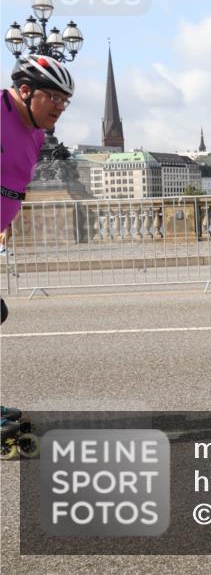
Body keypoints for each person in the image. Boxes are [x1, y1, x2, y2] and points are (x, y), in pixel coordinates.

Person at [1, 54, 74, 451]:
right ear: (26, 91)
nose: (60, 107)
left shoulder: (36, 133)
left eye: (66, 101)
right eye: (54, 97)